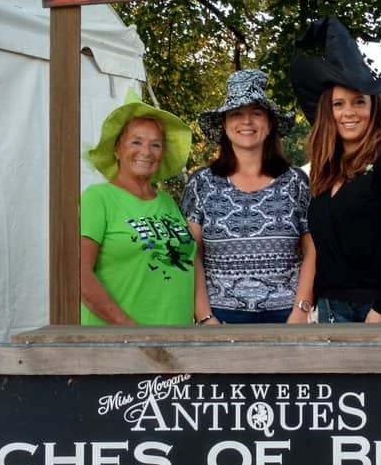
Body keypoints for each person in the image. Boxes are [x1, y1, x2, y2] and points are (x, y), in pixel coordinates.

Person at [291, 16, 381, 323]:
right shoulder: (325, 168)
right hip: (334, 309)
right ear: (328, 110)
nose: (349, 112)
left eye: (359, 102)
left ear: (373, 107)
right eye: (339, 104)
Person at [182, 69, 316, 325]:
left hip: (287, 317)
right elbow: (192, 253)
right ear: (224, 125)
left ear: (269, 124)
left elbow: (312, 248)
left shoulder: (296, 181)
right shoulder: (201, 184)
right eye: (236, 113)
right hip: (221, 318)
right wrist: (205, 317)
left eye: (256, 113)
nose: (246, 121)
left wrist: (301, 309)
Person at [80, 88, 195, 325]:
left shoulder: (167, 202)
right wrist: (128, 329)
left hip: (176, 337)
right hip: (121, 339)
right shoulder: (98, 198)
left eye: (156, 145)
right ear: (117, 149)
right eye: (136, 142)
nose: (146, 152)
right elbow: (78, 274)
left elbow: (189, 265)